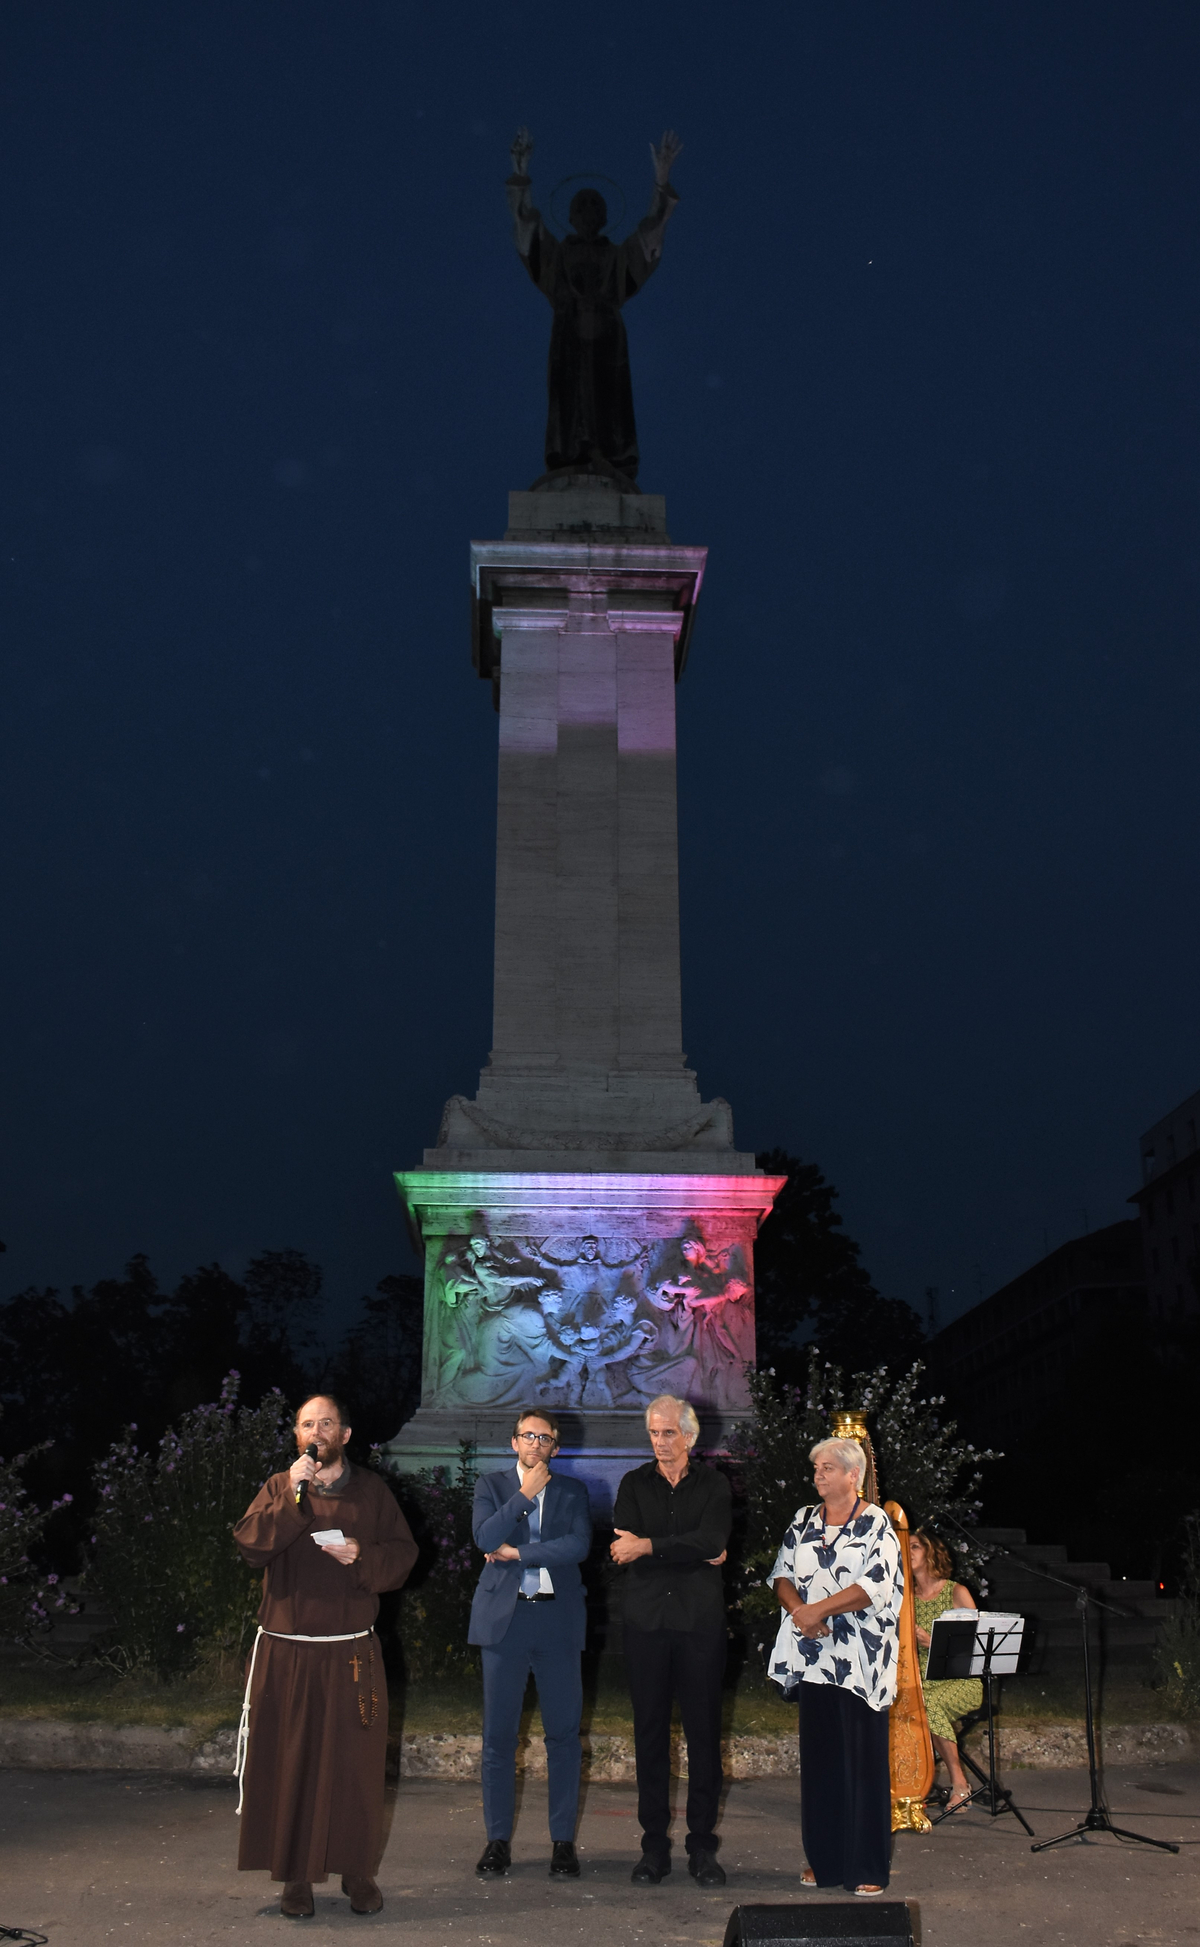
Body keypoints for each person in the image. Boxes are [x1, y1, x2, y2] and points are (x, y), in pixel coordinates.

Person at [232, 1394, 418, 1921]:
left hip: (349, 1653)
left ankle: (357, 1871)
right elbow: (250, 1546)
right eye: (307, 1423)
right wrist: (293, 1492)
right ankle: (295, 1877)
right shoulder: (280, 1487)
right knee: (290, 1763)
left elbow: (404, 1557)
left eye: (327, 1423)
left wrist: (363, 1555)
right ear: (297, 1436)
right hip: (287, 1653)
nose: (318, 1430)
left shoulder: (373, 1492)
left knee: (354, 1767)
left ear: (346, 1434)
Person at [506, 126, 682, 483]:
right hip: (569, 335)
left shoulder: (617, 258)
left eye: (594, 206)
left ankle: (609, 458)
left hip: (607, 340)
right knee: (569, 398)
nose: (588, 211)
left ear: (604, 217)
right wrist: (521, 175)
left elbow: (650, 235)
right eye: (580, 206)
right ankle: (571, 456)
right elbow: (527, 233)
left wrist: (661, 180)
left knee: (609, 398)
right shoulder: (559, 257)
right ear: (570, 217)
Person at [768, 1437, 903, 1897]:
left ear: (853, 1475)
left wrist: (818, 1609)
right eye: (815, 1469)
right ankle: (824, 1861)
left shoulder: (876, 1521)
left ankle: (867, 1865)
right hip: (813, 1657)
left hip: (861, 1659)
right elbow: (782, 1574)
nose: (817, 1476)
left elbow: (877, 1585)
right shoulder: (803, 1519)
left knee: (863, 1762)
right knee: (822, 1760)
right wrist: (799, 1613)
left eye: (827, 1468)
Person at [610, 1394, 731, 1890]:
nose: (660, 1442)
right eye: (654, 1433)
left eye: (668, 1433)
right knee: (650, 1735)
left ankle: (702, 1847)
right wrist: (686, 1551)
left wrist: (650, 1545)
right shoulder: (633, 1484)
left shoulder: (715, 1484)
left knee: (703, 1736)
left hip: (699, 1624)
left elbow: (714, 1541)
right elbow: (622, 1548)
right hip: (646, 1625)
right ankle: (653, 1848)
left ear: (689, 1437)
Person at [469, 1408, 592, 1879]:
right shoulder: (492, 1487)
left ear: (556, 1448)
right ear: (514, 1442)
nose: (535, 1443)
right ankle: (497, 1841)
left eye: (545, 1438)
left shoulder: (573, 1491)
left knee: (563, 1735)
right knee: (498, 1737)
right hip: (505, 1623)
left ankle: (562, 1842)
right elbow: (483, 1535)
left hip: (557, 1621)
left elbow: (576, 1546)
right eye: (527, 1435)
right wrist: (524, 1495)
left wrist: (518, 1552)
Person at [910, 1528, 982, 1812]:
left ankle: (960, 1783)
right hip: (923, 1681)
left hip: (960, 1680)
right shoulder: (906, 1599)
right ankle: (908, 1785)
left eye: (915, 1546)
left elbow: (976, 1648)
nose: (909, 1551)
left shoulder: (955, 1592)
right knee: (900, 1703)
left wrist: (932, 1642)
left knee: (928, 1707)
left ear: (931, 1552)